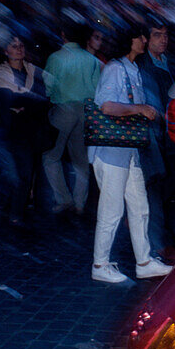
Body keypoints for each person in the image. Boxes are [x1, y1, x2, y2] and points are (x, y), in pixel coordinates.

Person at [88, 26, 171, 284]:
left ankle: (144, 261)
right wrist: (140, 108)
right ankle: (100, 264)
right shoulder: (115, 68)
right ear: (128, 40)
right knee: (111, 210)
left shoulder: (132, 68)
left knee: (139, 206)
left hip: (129, 151)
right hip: (112, 151)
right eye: (140, 36)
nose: (144, 39)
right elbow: (107, 105)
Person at [137, 19, 175, 259]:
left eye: (165, 35)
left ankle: (159, 232)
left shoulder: (173, 62)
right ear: (148, 39)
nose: (163, 39)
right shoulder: (142, 65)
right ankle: (160, 242)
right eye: (157, 35)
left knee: (172, 187)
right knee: (156, 190)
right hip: (157, 135)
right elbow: (151, 104)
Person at [0, 35, 49, 225]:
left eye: (21, 45)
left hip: (24, 130)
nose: (18, 49)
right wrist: (26, 100)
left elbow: (43, 98)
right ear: (6, 51)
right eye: (13, 46)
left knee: (24, 173)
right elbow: (9, 97)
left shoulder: (32, 71)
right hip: (2, 130)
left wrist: (25, 102)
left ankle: (17, 214)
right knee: (10, 173)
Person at [42, 21, 101, 215]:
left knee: (51, 156)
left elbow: (48, 86)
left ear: (63, 35)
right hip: (86, 110)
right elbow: (96, 87)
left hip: (64, 109)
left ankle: (63, 198)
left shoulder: (56, 57)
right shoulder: (91, 59)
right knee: (81, 159)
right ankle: (79, 203)